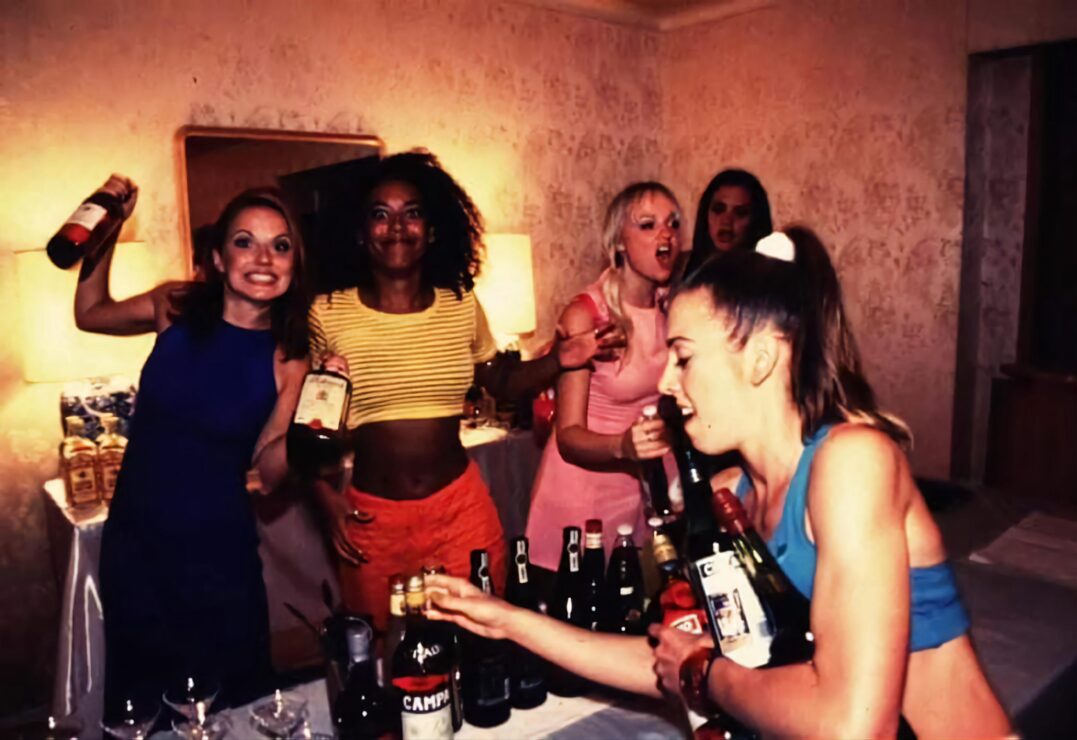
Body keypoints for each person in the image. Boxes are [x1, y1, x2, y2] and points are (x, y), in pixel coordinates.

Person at [424, 226, 1012, 738]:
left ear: (759, 358)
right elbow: (669, 659)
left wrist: (707, 676)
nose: (669, 385)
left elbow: (851, 724)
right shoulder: (740, 493)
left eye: (683, 357)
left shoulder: (852, 464)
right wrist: (506, 619)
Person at [307, 151, 612, 630]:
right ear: (361, 233)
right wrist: (325, 498)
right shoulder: (327, 313)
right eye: (380, 215)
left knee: (481, 640)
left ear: (431, 231)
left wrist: (560, 360)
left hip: (459, 512)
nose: (397, 226)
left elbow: (502, 381)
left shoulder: (460, 303)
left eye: (412, 213)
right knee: (389, 658)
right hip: (373, 522)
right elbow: (304, 426)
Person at [77, 176, 311, 709]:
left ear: (295, 264)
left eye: (281, 246)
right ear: (218, 257)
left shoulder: (289, 359)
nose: (263, 258)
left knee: (229, 704)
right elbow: (89, 313)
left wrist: (319, 412)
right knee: (144, 706)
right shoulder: (174, 306)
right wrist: (105, 231)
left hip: (218, 559)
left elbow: (271, 476)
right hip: (136, 550)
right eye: (244, 241)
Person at [524, 182, 681, 571]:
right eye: (647, 225)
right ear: (619, 242)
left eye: (673, 224)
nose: (666, 235)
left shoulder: (673, 305)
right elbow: (568, 436)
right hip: (585, 490)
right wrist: (623, 447)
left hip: (648, 486)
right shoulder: (587, 315)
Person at [684, 168, 773, 275]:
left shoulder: (769, 276)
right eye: (718, 209)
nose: (726, 221)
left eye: (740, 213)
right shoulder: (681, 269)